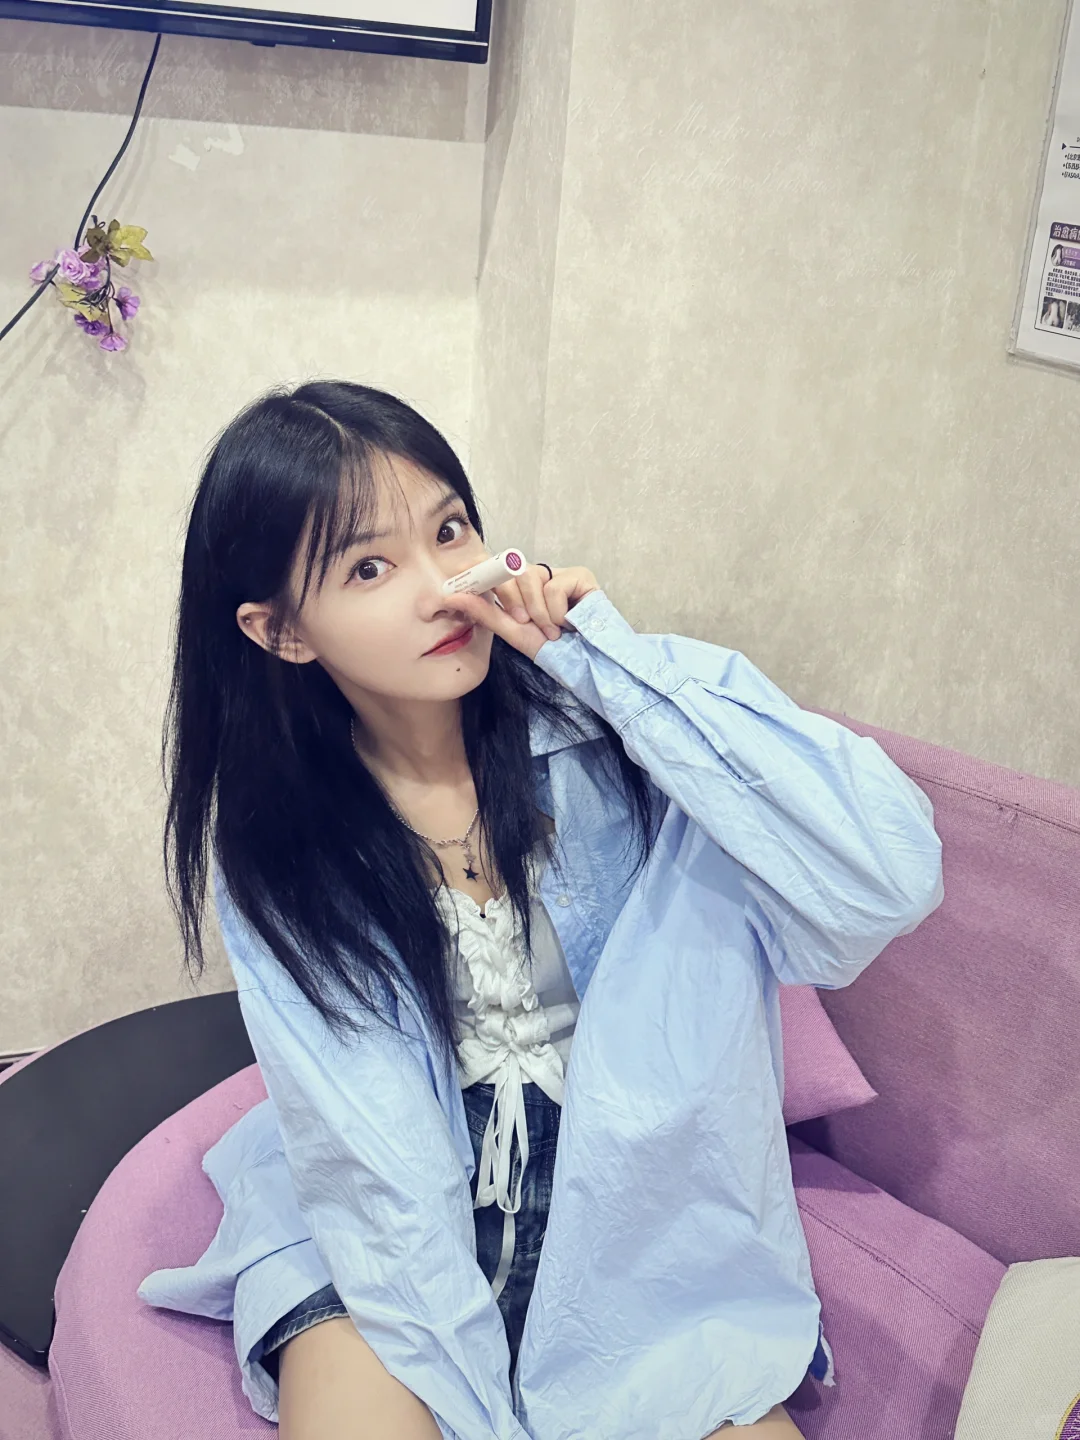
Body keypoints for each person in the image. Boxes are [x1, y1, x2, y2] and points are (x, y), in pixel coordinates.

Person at [139, 380, 944, 1439]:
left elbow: (886, 876)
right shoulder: (281, 846)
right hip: (388, 1225)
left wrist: (605, 661)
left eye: (451, 531)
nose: (444, 588)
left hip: (639, 1218)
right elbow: (380, 1177)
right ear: (282, 630)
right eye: (371, 567)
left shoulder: (621, 744)